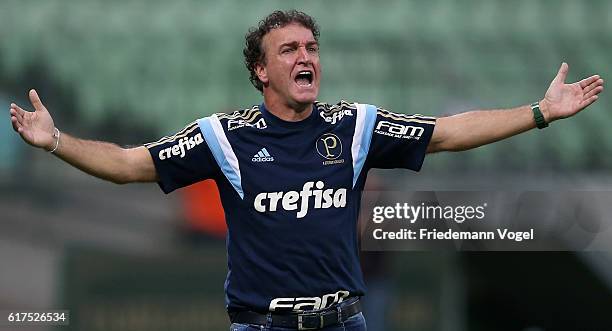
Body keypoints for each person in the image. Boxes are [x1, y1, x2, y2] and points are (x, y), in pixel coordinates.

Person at [8, 9, 604, 331]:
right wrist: (55, 139)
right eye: (289, 50)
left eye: (312, 48)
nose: (306, 57)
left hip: (343, 322)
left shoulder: (354, 126)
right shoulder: (223, 136)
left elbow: (447, 132)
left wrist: (539, 113)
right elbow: (129, 165)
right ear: (261, 73)